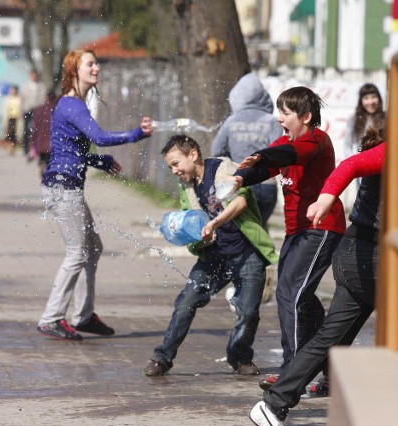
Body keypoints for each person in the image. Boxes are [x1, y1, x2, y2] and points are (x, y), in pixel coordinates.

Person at [249, 91, 398, 426]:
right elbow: (351, 165)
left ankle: (273, 404)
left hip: (359, 254)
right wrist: (325, 198)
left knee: (331, 339)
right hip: (373, 255)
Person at [230, 86, 347, 390]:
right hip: (297, 231)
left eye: (285, 113)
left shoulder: (316, 140)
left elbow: (291, 154)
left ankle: (291, 371)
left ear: (306, 116)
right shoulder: (284, 142)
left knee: (290, 294)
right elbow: (267, 165)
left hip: (321, 228)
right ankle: (330, 366)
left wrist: (263, 155)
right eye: (279, 111)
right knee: (300, 299)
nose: (279, 118)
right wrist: (243, 175)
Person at [37, 49, 153, 341]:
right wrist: (137, 133)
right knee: (77, 253)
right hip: (63, 189)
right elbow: (100, 137)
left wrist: (96, 161)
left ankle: (82, 315)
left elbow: (68, 148)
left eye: (96, 63)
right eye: (90, 64)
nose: (96, 68)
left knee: (93, 248)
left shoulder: (71, 105)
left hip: (64, 185)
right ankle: (52, 317)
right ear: (74, 70)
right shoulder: (73, 105)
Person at [143, 134, 278, 377]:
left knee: (248, 312)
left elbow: (240, 203)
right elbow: (192, 221)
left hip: (246, 253)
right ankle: (162, 357)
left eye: (176, 163)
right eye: (170, 166)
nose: (174, 171)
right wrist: (188, 234)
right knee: (185, 303)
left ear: (193, 154)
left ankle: (239, 358)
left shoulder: (225, 169)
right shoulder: (187, 187)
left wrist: (214, 224)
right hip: (213, 256)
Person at [211, 71, 284, 231]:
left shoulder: (231, 121)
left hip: (239, 183)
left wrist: (232, 161)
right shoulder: (272, 121)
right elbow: (277, 152)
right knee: (260, 229)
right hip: (267, 185)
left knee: (242, 232)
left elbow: (216, 150)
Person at [343, 83, 384, 159]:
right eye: (366, 98)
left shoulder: (386, 118)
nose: (370, 102)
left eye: (373, 97)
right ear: (361, 101)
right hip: (360, 162)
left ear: (379, 98)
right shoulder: (353, 119)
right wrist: (354, 162)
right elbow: (347, 146)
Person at [29, 91, 57, 176]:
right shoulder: (56, 108)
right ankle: (48, 168)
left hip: (41, 137)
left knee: (42, 156)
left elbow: (35, 124)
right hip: (51, 138)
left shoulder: (39, 109)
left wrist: (33, 138)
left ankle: (42, 165)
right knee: (50, 156)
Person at [21, 69, 48, 157]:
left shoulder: (41, 85)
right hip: (27, 110)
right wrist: (22, 110)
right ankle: (26, 148)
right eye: (32, 75)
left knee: (37, 129)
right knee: (26, 129)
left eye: (35, 75)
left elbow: (43, 99)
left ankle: (37, 148)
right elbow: (23, 99)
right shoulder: (25, 86)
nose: (34, 77)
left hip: (37, 111)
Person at [1, 85, 24, 155]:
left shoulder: (19, 99)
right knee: (9, 133)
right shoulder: (7, 99)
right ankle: (9, 147)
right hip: (9, 118)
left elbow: (22, 108)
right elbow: (4, 109)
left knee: (15, 133)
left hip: (17, 118)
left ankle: (13, 147)